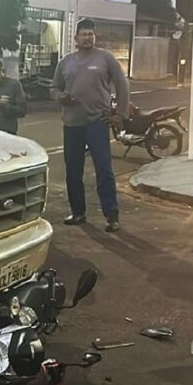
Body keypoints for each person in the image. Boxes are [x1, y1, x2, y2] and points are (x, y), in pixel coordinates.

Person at [52, 18, 130, 233]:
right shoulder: (65, 62)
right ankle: (78, 212)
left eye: (91, 34)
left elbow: (122, 85)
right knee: (73, 170)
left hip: (97, 122)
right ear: (76, 38)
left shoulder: (105, 59)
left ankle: (111, 215)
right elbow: (54, 87)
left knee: (104, 170)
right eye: (84, 34)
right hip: (72, 124)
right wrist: (61, 97)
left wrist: (121, 113)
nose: (88, 37)